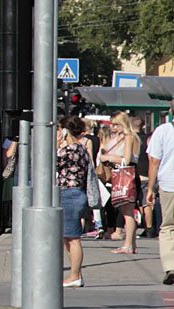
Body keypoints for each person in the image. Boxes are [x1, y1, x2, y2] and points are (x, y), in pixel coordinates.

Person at [57, 117, 91, 288]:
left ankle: (74, 276)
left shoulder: (68, 151)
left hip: (69, 195)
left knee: (73, 238)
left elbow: (50, 164)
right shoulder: (82, 150)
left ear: (65, 130)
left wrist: (57, 144)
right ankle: (76, 273)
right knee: (68, 237)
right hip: (77, 194)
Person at [99, 111, 140, 254]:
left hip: (127, 174)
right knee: (126, 211)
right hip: (123, 174)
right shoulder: (122, 137)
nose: (113, 128)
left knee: (127, 212)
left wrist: (108, 157)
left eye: (116, 125)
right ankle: (131, 244)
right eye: (112, 125)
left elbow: (127, 159)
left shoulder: (129, 137)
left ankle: (127, 244)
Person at [146, 101, 174, 285]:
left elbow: (154, 161)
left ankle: (171, 266)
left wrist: (150, 188)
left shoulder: (163, 131)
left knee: (168, 226)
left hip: (169, 184)